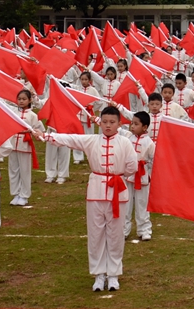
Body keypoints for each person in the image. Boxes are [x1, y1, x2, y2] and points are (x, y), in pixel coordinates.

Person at [41, 106, 138, 292]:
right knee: (95, 234)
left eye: (112, 122)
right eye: (105, 122)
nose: (108, 126)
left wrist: (119, 175)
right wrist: (46, 136)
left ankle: (114, 274)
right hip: (95, 191)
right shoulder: (91, 140)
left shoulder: (125, 143)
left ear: (119, 124)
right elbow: (70, 139)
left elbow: (132, 165)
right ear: (99, 122)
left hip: (118, 192)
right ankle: (99, 274)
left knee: (116, 234)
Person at [122, 111, 155, 241]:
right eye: (132, 123)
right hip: (129, 176)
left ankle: (144, 229)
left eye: (136, 124)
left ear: (145, 127)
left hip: (142, 177)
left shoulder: (150, 143)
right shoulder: (129, 138)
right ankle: (124, 230)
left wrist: (146, 168)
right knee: (126, 203)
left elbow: (154, 160)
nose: (132, 126)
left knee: (142, 204)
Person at [8, 90, 45, 202]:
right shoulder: (14, 113)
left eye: (24, 99)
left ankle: (24, 195)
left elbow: (41, 129)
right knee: (13, 170)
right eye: (19, 99)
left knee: (25, 170)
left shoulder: (33, 115)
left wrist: (32, 132)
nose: (21, 101)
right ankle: (15, 193)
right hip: (13, 144)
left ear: (30, 100)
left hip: (25, 144)